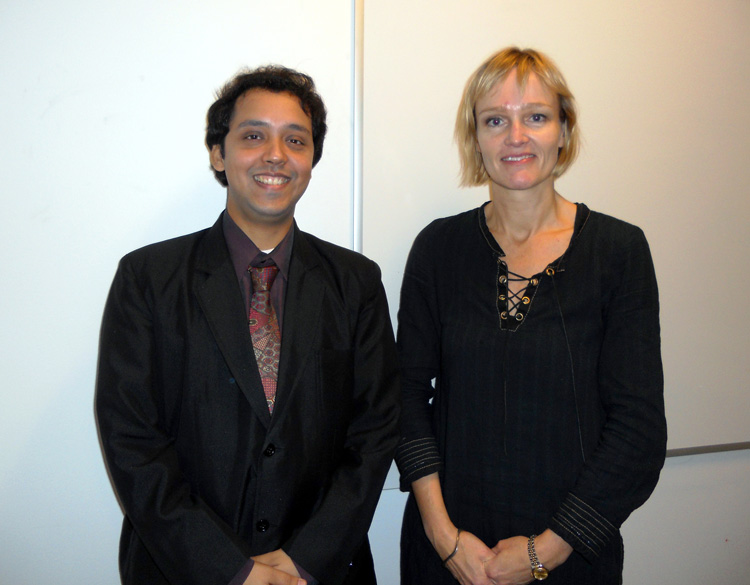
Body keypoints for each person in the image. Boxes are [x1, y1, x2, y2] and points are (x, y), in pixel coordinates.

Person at [95, 65, 400, 585]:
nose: (275, 155)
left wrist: (304, 559)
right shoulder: (148, 278)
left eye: (295, 140)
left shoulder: (356, 282)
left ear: (311, 159)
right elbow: (131, 439)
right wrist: (231, 571)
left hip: (320, 571)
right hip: (182, 569)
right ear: (219, 152)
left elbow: (375, 432)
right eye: (254, 136)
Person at [394, 47, 666, 585]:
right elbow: (403, 397)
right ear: (475, 138)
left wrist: (548, 550)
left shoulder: (619, 252)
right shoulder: (438, 249)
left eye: (536, 117)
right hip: (448, 557)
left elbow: (638, 429)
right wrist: (444, 538)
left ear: (564, 131)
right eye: (495, 120)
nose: (515, 137)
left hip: (571, 557)